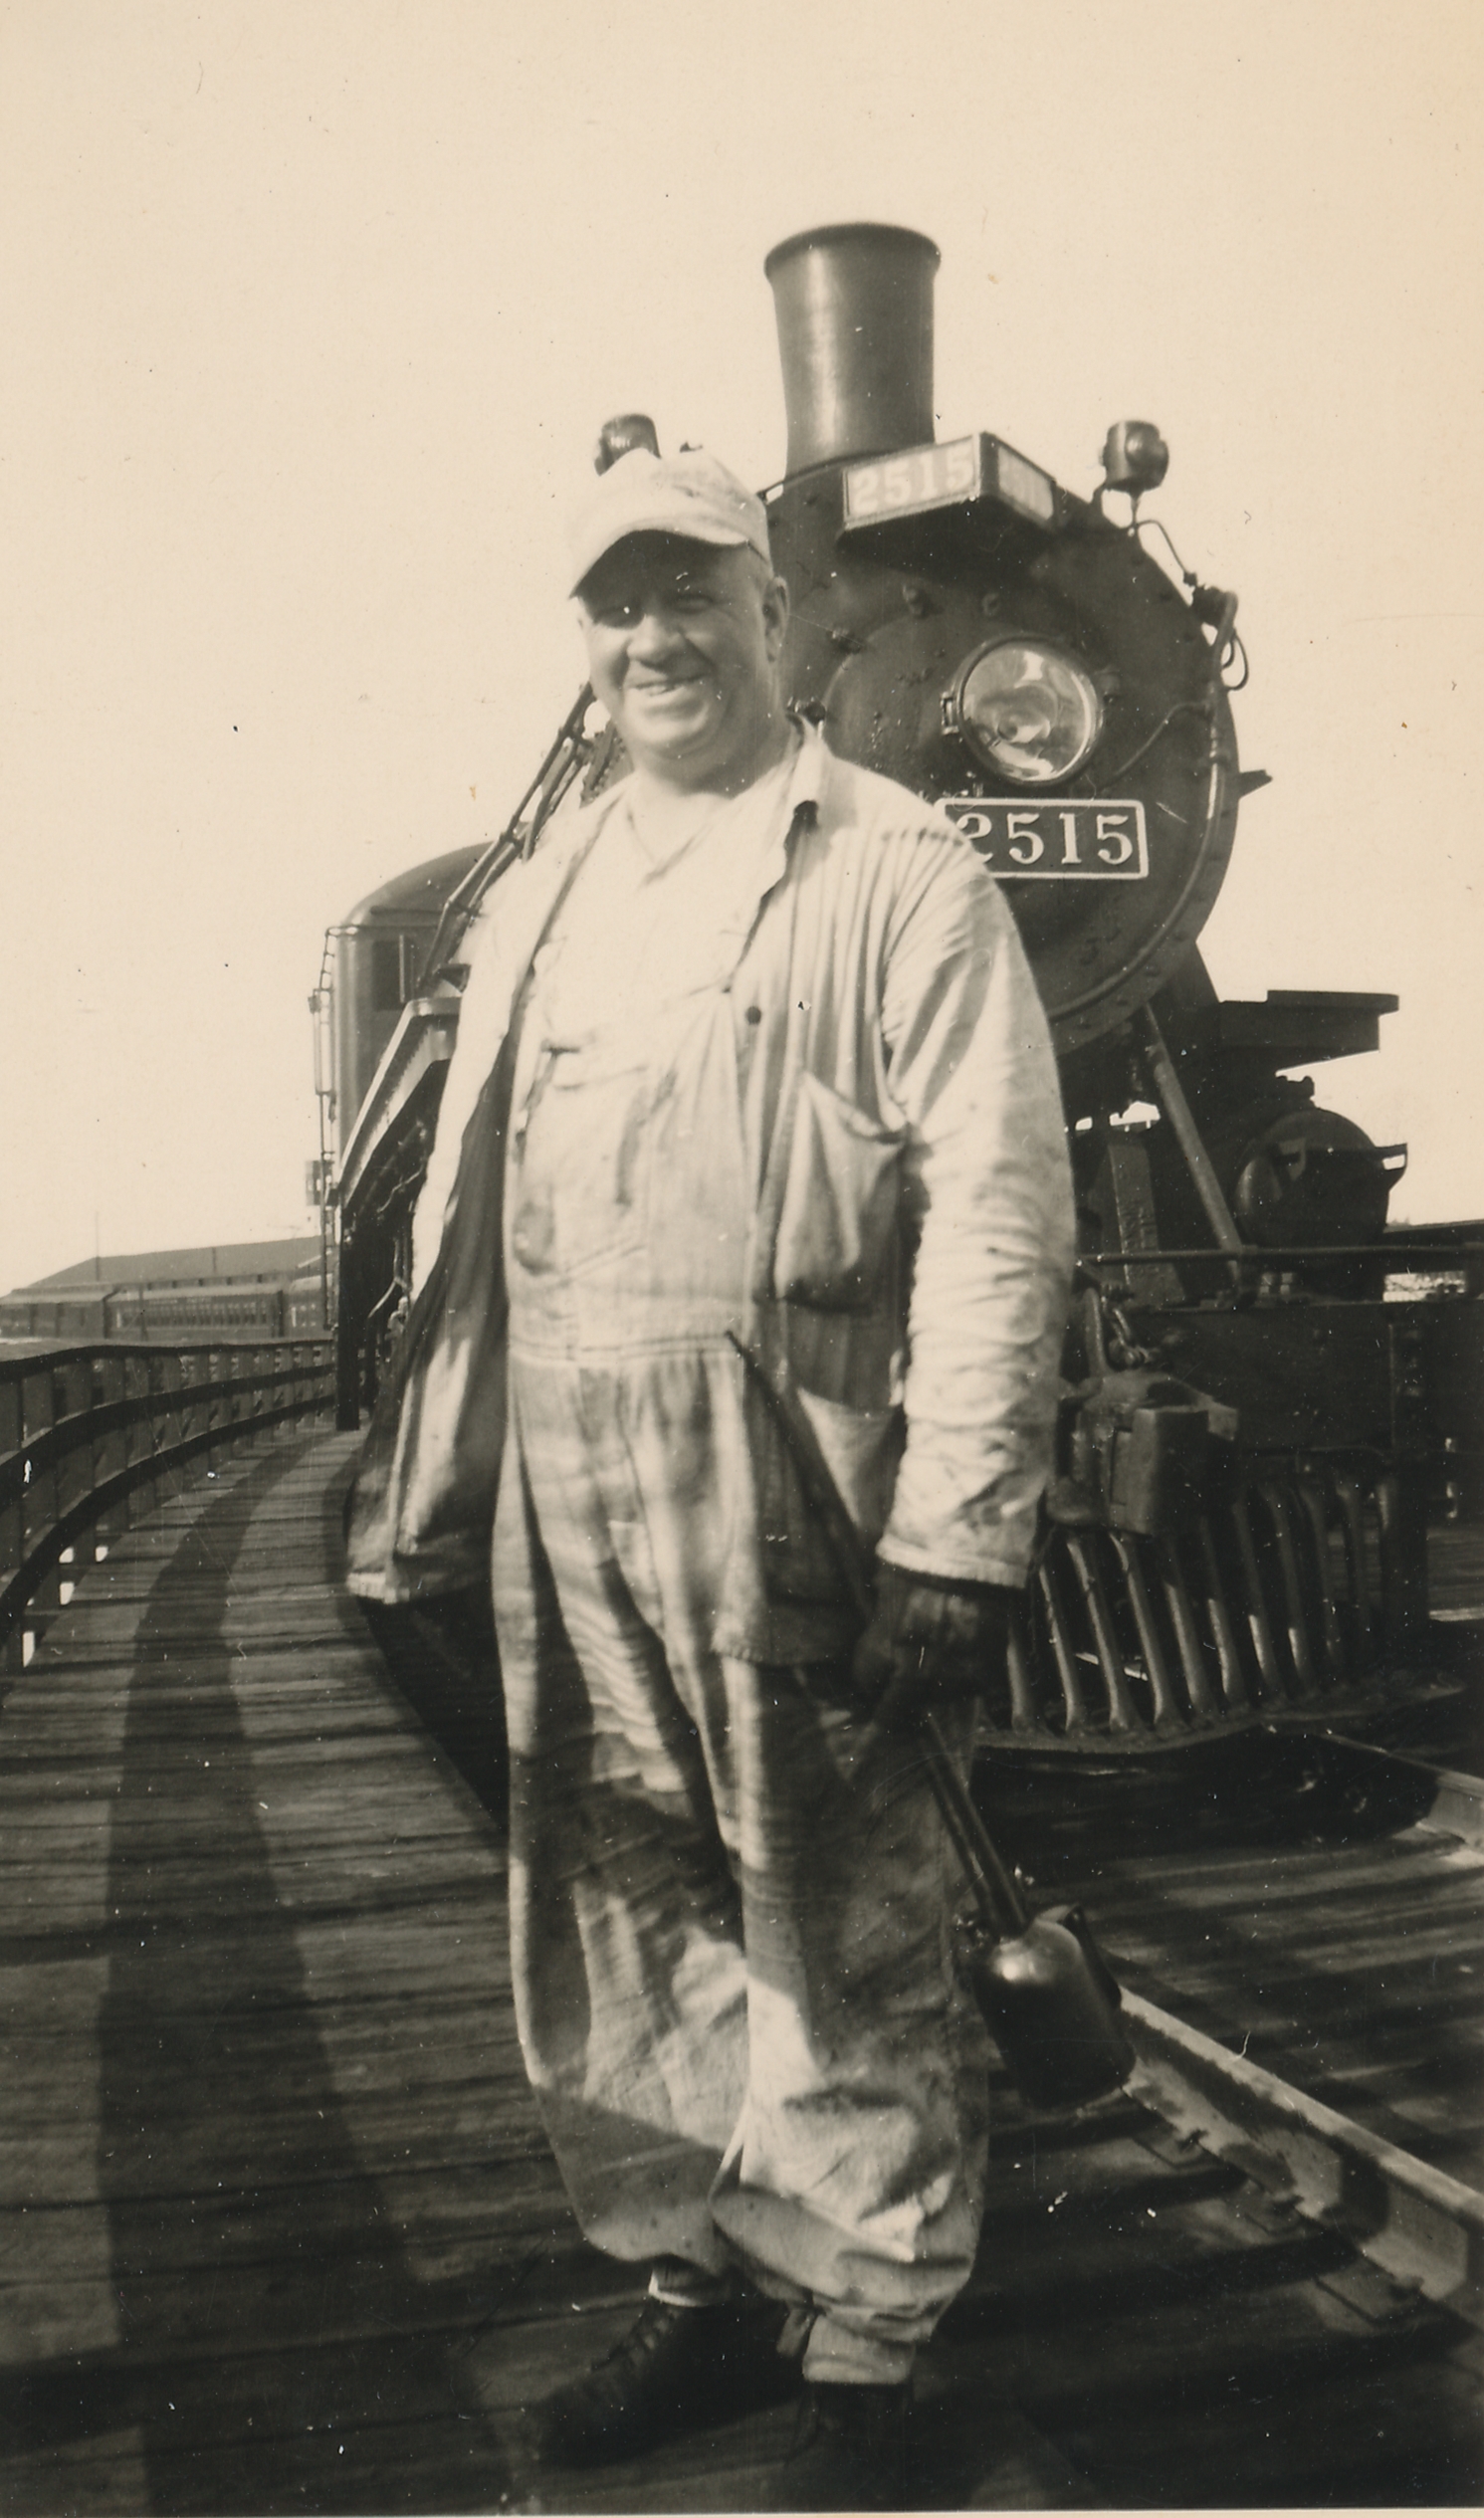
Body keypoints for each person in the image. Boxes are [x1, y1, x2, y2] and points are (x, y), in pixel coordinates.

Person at [346, 445, 1074, 2509]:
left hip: (794, 1462)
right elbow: (467, 1207)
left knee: (839, 1917)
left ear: (773, 612)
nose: (653, 636)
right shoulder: (549, 885)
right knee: (628, 1904)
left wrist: (957, 1530)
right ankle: (702, 2272)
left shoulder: (897, 866)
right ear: (581, 644)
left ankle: (866, 2335)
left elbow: (1000, 1213)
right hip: (564, 1466)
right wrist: (435, 1471)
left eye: (691, 593)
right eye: (616, 604)